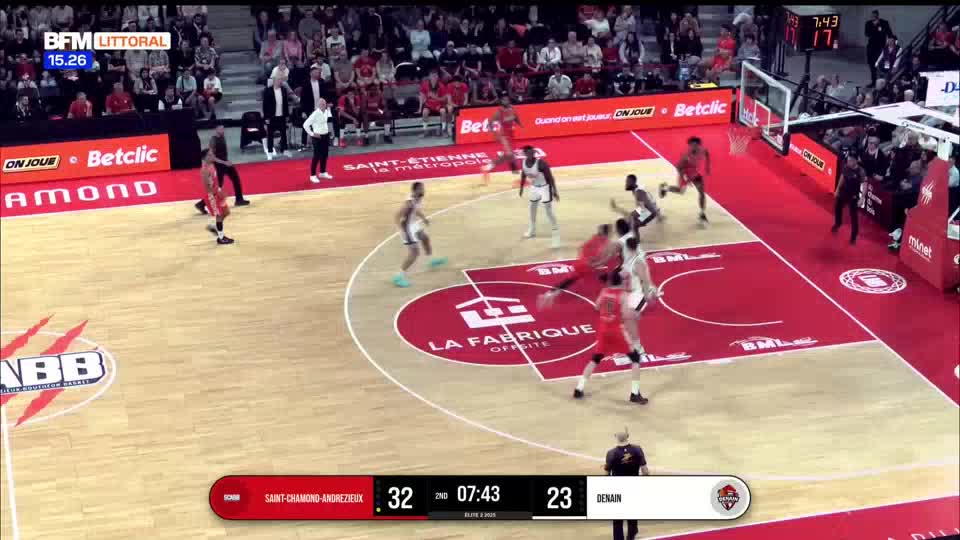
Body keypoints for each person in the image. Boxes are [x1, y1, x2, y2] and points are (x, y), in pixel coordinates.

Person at [573, 271, 651, 404]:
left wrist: (608, 311)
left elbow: (597, 306)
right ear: (620, 282)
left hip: (603, 330)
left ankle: (579, 388)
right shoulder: (622, 295)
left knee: (595, 359)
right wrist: (636, 313)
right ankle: (635, 393)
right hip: (616, 331)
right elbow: (626, 315)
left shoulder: (604, 292)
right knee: (636, 358)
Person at [538, 224, 614, 309]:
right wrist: (596, 263)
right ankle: (602, 304)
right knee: (600, 284)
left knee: (569, 281)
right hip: (588, 267)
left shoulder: (594, 237)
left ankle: (549, 294)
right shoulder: (606, 242)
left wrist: (583, 258)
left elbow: (581, 248)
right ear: (607, 233)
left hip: (580, 264)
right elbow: (603, 258)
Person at [394, 182, 448, 288]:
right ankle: (398, 276)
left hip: (413, 225)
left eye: (423, 188)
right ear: (415, 190)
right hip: (407, 228)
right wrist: (402, 230)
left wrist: (423, 218)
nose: (423, 190)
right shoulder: (408, 203)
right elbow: (397, 216)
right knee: (415, 253)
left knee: (425, 238)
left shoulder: (418, 198)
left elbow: (416, 210)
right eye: (421, 189)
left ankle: (431, 260)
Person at [605, 428, 650, 540]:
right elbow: (645, 471)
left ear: (616, 437)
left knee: (617, 519)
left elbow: (606, 474)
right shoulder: (637, 449)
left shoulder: (611, 453)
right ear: (628, 436)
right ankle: (631, 535)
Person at [194, 124, 250, 213]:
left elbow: (223, 152)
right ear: (216, 129)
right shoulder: (213, 140)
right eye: (220, 129)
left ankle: (239, 199)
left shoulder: (222, 137)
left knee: (236, 179)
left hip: (225, 163)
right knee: (217, 187)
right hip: (219, 166)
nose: (223, 130)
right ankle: (201, 204)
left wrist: (227, 161)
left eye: (223, 128)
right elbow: (212, 156)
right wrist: (224, 162)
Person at [660, 136, 711, 224]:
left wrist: (707, 166)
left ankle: (702, 213)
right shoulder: (686, 156)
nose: (693, 147)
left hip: (694, 173)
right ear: (689, 145)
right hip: (684, 172)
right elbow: (678, 167)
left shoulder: (702, 150)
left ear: (699, 145)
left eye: (695, 145)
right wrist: (685, 178)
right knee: (681, 191)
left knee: (701, 192)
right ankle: (664, 188)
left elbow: (707, 154)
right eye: (691, 145)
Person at [517, 145, 560, 246]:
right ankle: (532, 230)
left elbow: (550, 178)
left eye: (533, 152)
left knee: (548, 210)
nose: (532, 154)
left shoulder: (541, 163)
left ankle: (555, 228)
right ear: (525, 154)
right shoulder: (524, 162)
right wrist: (521, 188)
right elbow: (523, 174)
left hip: (545, 187)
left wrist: (554, 191)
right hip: (534, 188)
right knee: (532, 208)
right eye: (529, 153)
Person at [480, 94, 522, 183]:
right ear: (501, 101)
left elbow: (516, 118)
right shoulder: (499, 112)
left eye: (507, 100)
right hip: (503, 136)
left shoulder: (512, 108)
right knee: (509, 154)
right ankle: (516, 175)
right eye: (504, 100)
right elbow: (490, 123)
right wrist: (494, 132)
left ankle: (487, 168)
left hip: (511, 135)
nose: (506, 101)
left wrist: (521, 125)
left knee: (508, 156)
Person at [200, 149, 235, 245]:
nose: (213, 156)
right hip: (212, 196)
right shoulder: (204, 170)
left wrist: (225, 162)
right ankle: (221, 238)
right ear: (205, 158)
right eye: (210, 155)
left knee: (226, 212)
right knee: (219, 215)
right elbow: (207, 188)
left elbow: (216, 159)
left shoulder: (211, 164)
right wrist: (218, 193)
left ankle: (215, 226)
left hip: (217, 191)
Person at [832, 153, 865, 245]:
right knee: (837, 208)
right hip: (844, 192)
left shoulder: (861, 171)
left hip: (853, 195)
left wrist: (862, 198)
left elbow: (864, 185)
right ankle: (838, 223)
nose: (848, 162)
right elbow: (842, 177)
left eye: (850, 160)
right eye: (848, 160)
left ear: (855, 161)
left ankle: (853, 236)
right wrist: (837, 189)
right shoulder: (846, 167)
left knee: (853, 216)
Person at [303, 97, 334, 183]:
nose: (324, 105)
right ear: (318, 105)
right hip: (317, 137)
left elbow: (329, 119)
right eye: (322, 104)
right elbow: (305, 125)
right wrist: (312, 134)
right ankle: (312, 175)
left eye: (324, 104)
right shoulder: (315, 114)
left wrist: (329, 109)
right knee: (316, 156)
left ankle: (322, 172)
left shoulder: (326, 111)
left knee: (324, 155)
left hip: (325, 136)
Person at [262, 77, 292, 159]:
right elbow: (265, 105)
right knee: (270, 135)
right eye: (278, 80)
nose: (280, 82)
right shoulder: (268, 91)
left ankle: (284, 149)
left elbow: (285, 103)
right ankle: (270, 151)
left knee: (283, 134)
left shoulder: (283, 90)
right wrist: (266, 118)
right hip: (271, 116)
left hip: (281, 116)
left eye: (280, 81)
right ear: (274, 81)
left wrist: (287, 115)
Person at [419, 70, 448, 137]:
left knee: (443, 111)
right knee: (424, 112)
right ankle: (425, 131)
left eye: (435, 76)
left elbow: (444, 99)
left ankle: (443, 130)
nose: (434, 77)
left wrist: (435, 97)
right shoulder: (425, 84)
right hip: (429, 105)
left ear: (437, 77)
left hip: (439, 105)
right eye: (432, 76)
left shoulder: (441, 85)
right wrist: (420, 108)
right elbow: (421, 96)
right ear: (429, 77)